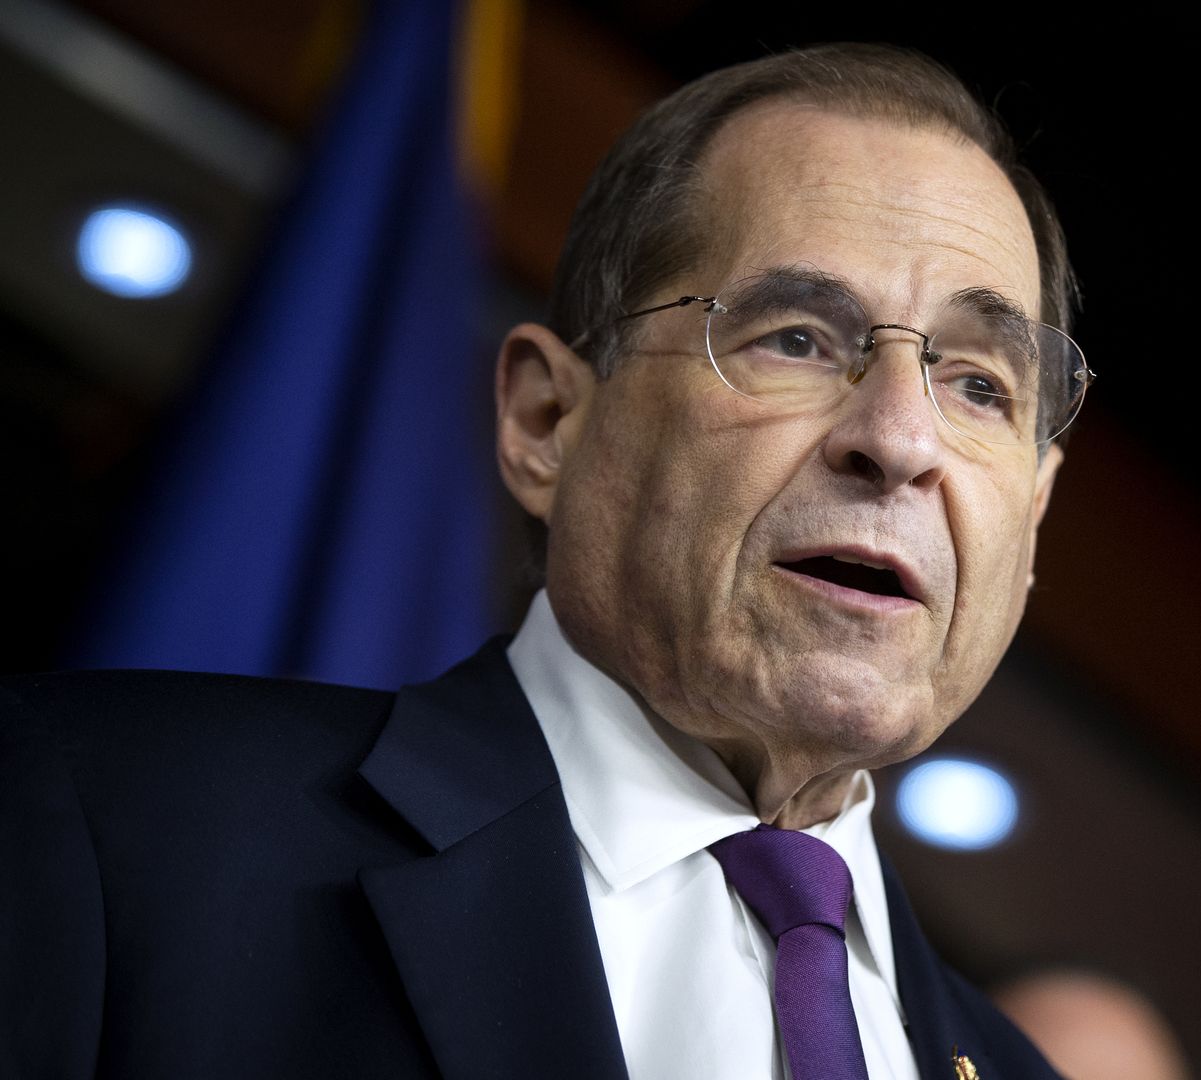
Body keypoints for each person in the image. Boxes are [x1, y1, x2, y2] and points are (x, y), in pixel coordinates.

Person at [1, 43, 1092, 1080]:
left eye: (979, 386)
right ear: (546, 421)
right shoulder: (108, 823)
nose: (900, 441)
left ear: (1032, 520)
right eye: (797, 339)